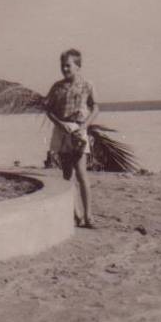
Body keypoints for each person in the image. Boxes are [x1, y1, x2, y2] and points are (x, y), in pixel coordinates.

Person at [45, 48, 99, 228]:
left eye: (68, 66)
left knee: (81, 173)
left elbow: (95, 107)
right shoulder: (57, 87)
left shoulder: (87, 85)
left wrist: (84, 126)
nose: (65, 69)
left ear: (78, 66)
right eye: (63, 66)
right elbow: (49, 110)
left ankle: (88, 215)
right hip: (62, 129)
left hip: (78, 129)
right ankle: (75, 214)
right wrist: (59, 124)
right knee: (67, 174)